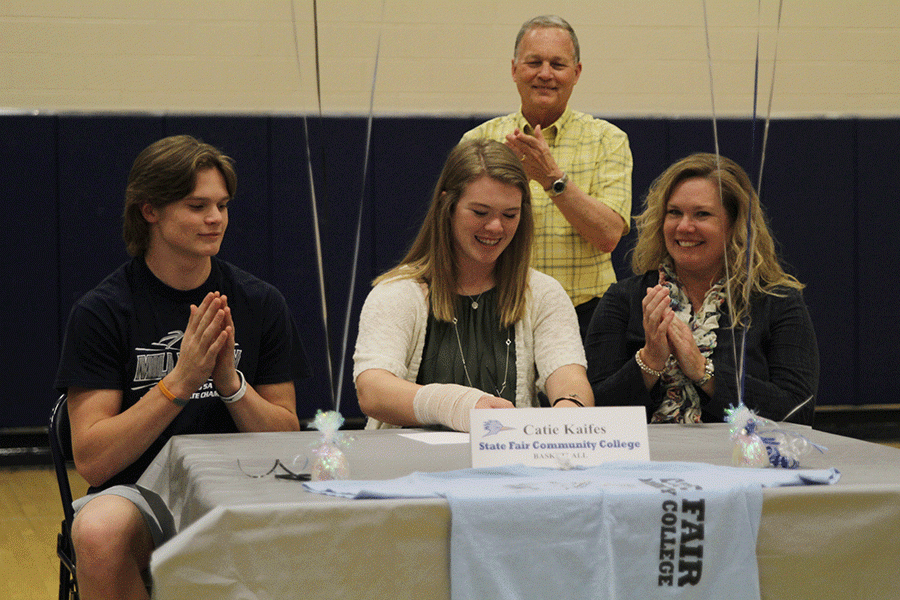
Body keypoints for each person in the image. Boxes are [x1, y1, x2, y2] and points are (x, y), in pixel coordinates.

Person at [55, 135, 309, 600]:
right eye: (197, 206)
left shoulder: (260, 302)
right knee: (96, 532)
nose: (216, 219)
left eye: (222, 205)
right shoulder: (103, 311)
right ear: (150, 210)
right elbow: (93, 457)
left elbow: (286, 440)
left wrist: (230, 385)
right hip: (140, 493)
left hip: (242, 489)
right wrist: (179, 383)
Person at [354, 139, 593, 432]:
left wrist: (570, 411)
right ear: (447, 206)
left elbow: (569, 378)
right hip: (412, 471)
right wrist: (458, 404)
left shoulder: (543, 293)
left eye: (510, 215)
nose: (495, 227)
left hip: (509, 471)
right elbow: (373, 392)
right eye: (480, 212)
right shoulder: (398, 293)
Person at [585, 153, 819, 425]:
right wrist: (649, 362)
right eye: (674, 213)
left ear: (735, 226)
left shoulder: (777, 302)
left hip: (740, 463)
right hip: (643, 463)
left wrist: (703, 372)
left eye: (702, 214)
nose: (684, 227)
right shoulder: (624, 300)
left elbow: (797, 412)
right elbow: (594, 417)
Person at [461, 15, 633, 337]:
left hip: (588, 317)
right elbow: (456, 233)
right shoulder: (478, 141)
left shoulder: (608, 140)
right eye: (534, 62)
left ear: (576, 73)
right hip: (497, 312)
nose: (545, 74)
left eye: (558, 64)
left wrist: (553, 180)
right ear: (514, 69)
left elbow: (608, 235)